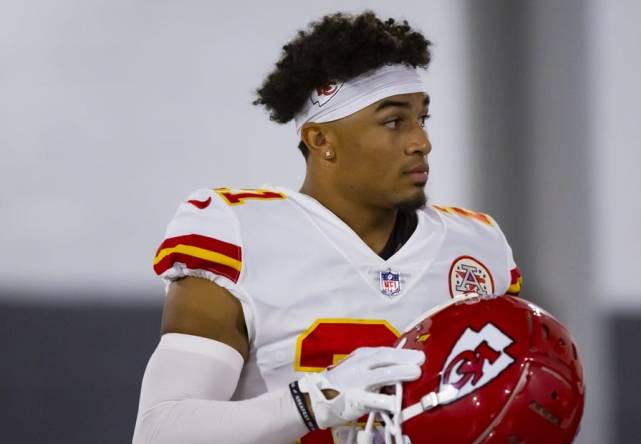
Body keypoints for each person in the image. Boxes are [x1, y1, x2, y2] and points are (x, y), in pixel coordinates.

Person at [132, 11, 521, 444]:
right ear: (321, 141)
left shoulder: (476, 246)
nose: (421, 141)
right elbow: (160, 432)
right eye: (394, 121)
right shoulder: (238, 234)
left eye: (422, 118)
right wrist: (312, 402)